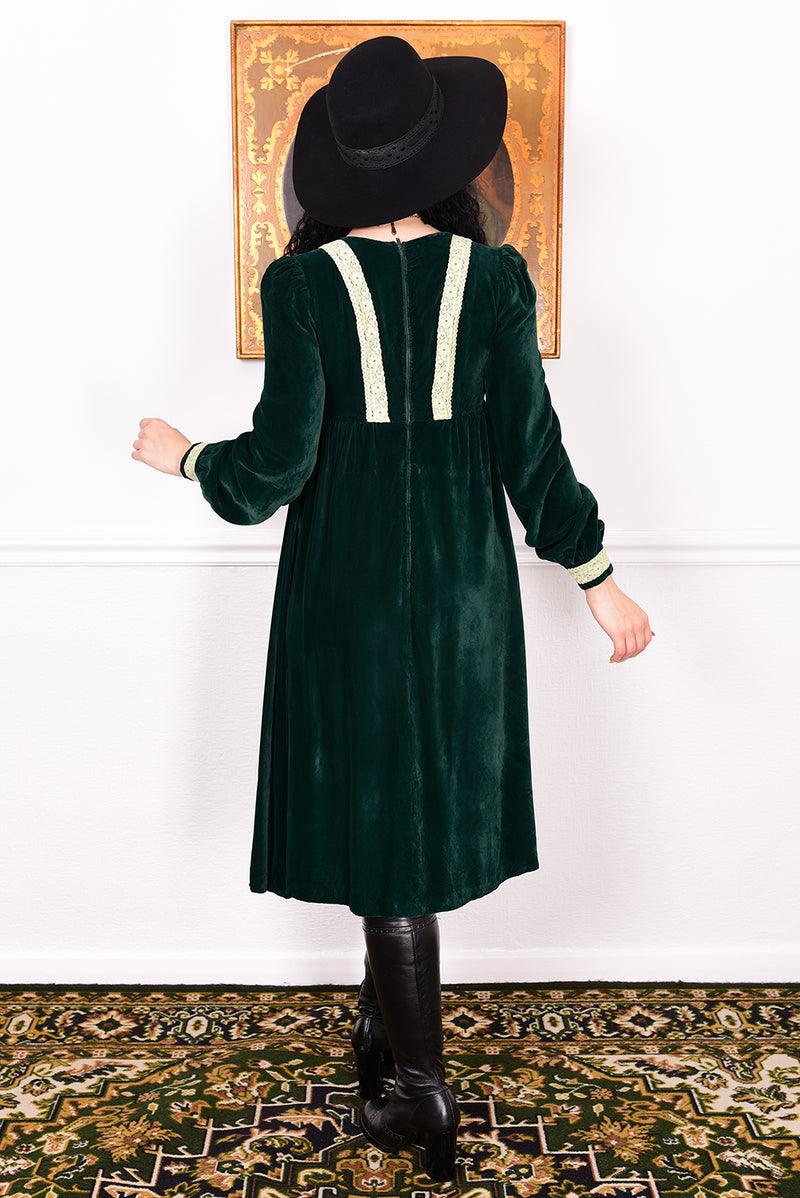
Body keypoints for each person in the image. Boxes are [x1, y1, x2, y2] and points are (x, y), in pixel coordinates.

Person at [132, 35, 654, 1183]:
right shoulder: (497, 278)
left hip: (345, 600)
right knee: (415, 805)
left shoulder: (302, 283)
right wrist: (595, 574)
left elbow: (267, 472)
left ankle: (417, 1092)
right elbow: (532, 453)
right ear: (443, 156)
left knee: (381, 814)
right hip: (466, 600)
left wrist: (180, 458)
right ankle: (387, 1032)